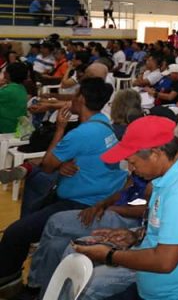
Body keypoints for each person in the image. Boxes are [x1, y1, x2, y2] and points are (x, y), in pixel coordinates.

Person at [72, 115, 178, 300]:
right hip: (158, 289)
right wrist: (135, 237)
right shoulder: (167, 178)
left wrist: (110, 255)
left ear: (155, 153)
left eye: (133, 163)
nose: (131, 170)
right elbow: (167, 230)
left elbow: (164, 261)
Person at [0, 78, 126, 289]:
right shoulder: (103, 122)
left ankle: (7, 281)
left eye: (75, 95)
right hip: (98, 190)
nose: (72, 99)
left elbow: (49, 165)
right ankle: (29, 171)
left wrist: (60, 128)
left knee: (15, 233)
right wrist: (62, 164)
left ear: (82, 99)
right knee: (37, 187)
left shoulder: (80, 134)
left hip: (81, 202)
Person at [0, 62, 28, 135]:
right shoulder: (21, 88)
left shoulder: (8, 91)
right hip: (19, 128)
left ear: (7, 74)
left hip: (8, 130)